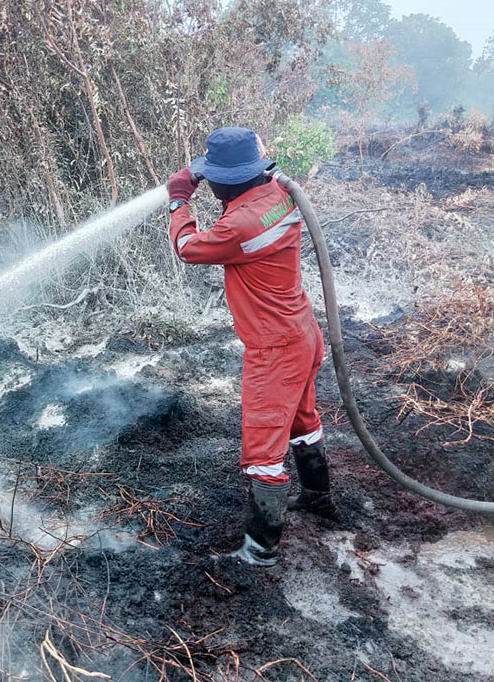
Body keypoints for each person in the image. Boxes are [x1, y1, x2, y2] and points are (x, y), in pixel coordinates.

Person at [166, 126, 336, 567]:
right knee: (302, 421)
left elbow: (187, 248)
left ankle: (260, 551)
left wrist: (179, 199)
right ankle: (318, 498)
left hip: (274, 349)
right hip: (301, 332)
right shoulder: (278, 193)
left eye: (212, 176)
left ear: (230, 180)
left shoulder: (238, 226)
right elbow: (244, 184)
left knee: (263, 451)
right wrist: (204, 171)